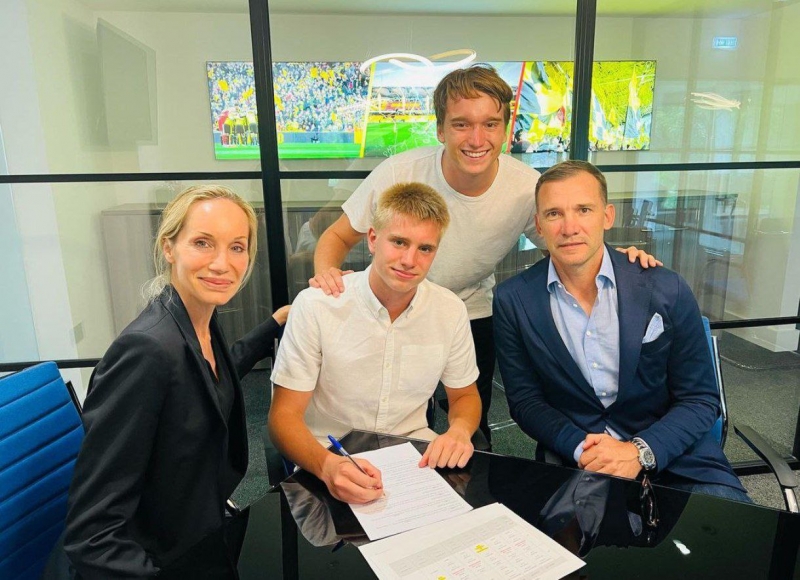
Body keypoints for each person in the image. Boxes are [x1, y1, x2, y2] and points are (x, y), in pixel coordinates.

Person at [310, 64, 657, 445]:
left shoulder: (526, 188)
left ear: (504, 130)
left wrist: (619, 262)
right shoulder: (399, 172)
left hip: (469, 310)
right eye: (461, 124)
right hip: (393, 304)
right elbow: (336, 236)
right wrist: (328, 278)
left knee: (470, 424)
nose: (477, 139)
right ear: (440, 130)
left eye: (490, 124)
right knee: (390, 418)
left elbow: (568, 247)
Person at [64, 185, 290, 579]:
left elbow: (205, 380)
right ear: (169, 248)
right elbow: (92, 533)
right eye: (203, 243)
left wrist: (273, 325)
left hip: (199, 528)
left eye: (237, 247)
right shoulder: (146, 351)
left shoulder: (198, 321)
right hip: (158, 558)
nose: (222, 263)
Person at [493, 160, 749, 501]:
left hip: (680, 460)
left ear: (607, 216)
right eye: (554, 214)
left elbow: (700, 398)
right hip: (582, 462)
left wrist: (638, 452)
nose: (569, 227)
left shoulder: (664, 287)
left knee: (730, 534)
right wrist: (583, 449)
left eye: (584, 210)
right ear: (539, 225)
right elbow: (526, 402)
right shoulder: (513, 300)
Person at [269, 182, 481, 504]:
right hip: (328, 454)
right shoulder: (317, 306)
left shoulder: (449, 310)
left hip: (414, 458)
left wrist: (459, 431)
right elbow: (283, 417)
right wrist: (327, 466)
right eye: (399, 242)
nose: (409, 260)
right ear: (372, 239)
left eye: (425, 249)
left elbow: (464, 395)